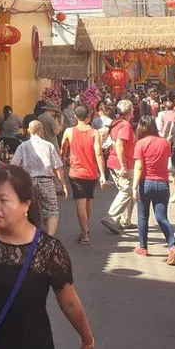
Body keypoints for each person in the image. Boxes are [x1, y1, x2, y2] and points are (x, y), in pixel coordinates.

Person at [0, 166, 95, 349]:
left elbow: (70, 303)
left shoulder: (48, 250)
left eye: (4, 200)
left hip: (28, 348)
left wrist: (87, 340)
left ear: (26, 204)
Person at [132, 116, 175, 264]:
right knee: (161, 217)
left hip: (145, 183)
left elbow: (139, 167)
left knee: (143, 216)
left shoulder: (140, 143)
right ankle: (172, 246)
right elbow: (166, 160)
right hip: (162, 183)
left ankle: (143, 247)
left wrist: (134, 186)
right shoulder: (164, 142)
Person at [11, 120, 69, 236]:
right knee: (52, 211)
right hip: (46, 181)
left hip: (29, 182)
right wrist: (63, 184)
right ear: (41, 130)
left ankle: (30, 236)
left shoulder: (23, 146)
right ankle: (49, 238)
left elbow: (13, 165)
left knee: (28, 209)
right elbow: (57, 167)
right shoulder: (48, 146)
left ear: (28, 131)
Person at [61, 104, 107, 245]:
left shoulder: (69, 131)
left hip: (76, 172)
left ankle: (84, 234)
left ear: (75, 116)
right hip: (92, 173)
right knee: (88, 200)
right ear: (88, 117)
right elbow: (99, 153)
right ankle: (86, 228)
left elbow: (63, 147)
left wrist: (63, 159)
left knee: (80, 202)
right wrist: (103, 175)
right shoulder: (95, 133)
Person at [101, 99, 136, 236]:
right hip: (121, 162)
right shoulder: (125, 126)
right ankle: (112, 216)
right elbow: (120, 144)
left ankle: (125, 220)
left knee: (130, 190)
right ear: (130, 111)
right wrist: (123, 166)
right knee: (127, 190)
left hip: (119, 160)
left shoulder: (116, 123)